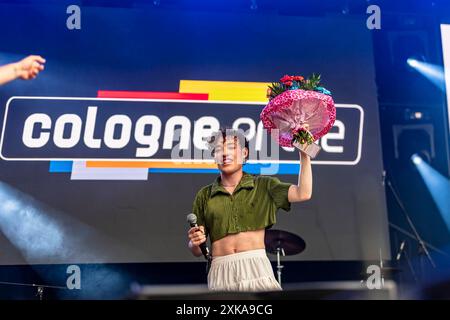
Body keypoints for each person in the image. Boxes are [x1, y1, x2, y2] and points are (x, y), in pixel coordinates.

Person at [187, 127, 312, 291]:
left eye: (231, 147)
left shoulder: (264, 185)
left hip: (256, 266)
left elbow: (303, 193)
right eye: (218, 149)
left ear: (244, 153)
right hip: (220, 271)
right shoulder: (204, 195)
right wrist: (194, 243)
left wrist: (305, 154)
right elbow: (197, 250)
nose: (225, 154)